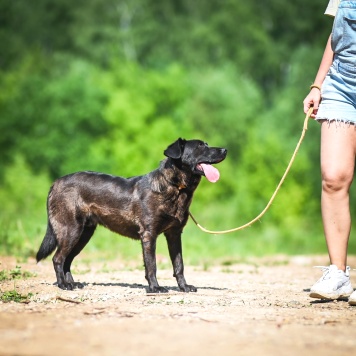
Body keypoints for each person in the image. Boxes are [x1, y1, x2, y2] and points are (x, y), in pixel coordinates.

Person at [303, 0, 356, 306]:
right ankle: (338, 273)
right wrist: (317, 85)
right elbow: (336, 32)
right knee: (334, 177)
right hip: (341, 83)